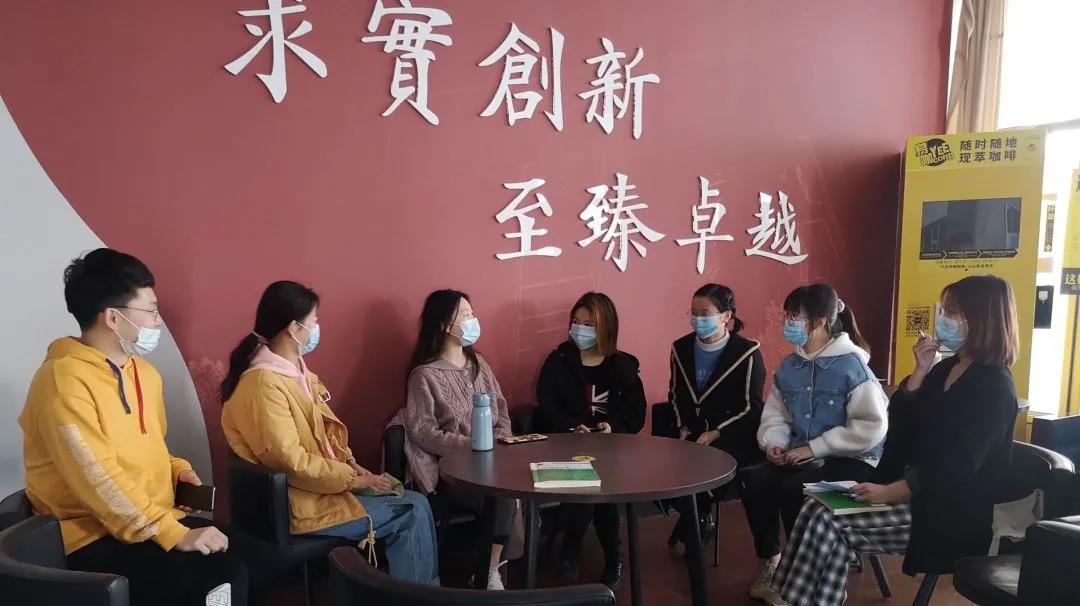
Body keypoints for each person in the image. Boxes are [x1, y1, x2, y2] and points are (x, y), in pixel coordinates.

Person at [768, 275, 1021, 606]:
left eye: (952, 311)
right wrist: (919, 374)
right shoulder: (945, 370)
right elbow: (900, 428)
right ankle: (796, 599)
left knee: (828, 523)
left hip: (948, 511)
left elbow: (958, 465)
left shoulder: (994, 386)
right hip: (912, 493)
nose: (942, 318)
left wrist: (893, 491)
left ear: (981, 318)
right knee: (815, 508)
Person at [18, 248, 248, 606]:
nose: (157, 322)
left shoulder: (144, 374)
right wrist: (173, 533)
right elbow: (98, 477)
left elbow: (152, 446)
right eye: (151, 311)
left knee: (249, 555)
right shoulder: (62, 381)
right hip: (90, 535)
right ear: (113, 317)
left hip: (146, 521)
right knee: (219, 575)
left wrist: (177, 471)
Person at [220, 281, 438, 585]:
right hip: (299, 504)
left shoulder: (296, 373)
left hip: (320, 489)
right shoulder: (263, 385)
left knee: (413, 499)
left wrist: (354, 467)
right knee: (411, 511)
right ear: (294, 328)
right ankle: (418, 597)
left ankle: (420, 593)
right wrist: (352, 480)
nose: (317, 328)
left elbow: (326, 437)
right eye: (314, 321)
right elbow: (290, 461)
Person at [740, 283, 888, 605]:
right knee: (754, 479)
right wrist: (775, 443)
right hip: (801, 456)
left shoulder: (852, 366)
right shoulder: (790, 367)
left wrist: (815, 448)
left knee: (796, 489)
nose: (787, 323)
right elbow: (775, 415)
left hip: (853, 461)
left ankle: (814, 577)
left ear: (820, 322)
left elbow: (870, 428)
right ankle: (773, 563)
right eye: (787, 316)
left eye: (794, 317)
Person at [404, 289, 518, 590]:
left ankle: (488, 568)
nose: (472, 320)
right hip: (455, 473)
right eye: (465, 315)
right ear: (444, 325)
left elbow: (502, 413)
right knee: (502, 496)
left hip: (495, 463)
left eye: (472, 313)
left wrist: (499, 442)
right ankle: (488, 572)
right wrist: (470, 446)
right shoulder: (424, 375)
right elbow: (422, 431)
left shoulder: (480, 364)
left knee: (517, 487)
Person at [535, 292, 646, 588]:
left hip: (612, 450)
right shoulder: (559, 360)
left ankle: (613, 557)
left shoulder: (623, 366)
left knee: (602, 485)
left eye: (589, 324)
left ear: (606, 327)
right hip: (568, 445)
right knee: (585, 478)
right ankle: (573, 546)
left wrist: (613, 427)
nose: (580, 329)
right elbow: (547, 404)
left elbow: (636, 415)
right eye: (576, 322)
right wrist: (572, 428)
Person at [667, 284, 765, 550]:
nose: (697, 319)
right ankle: (696, 517)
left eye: (705, 314)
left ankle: (698, 518)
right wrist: (683, 427)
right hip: (691, 432)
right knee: (664, 469)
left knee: (707, 471)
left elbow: (751, 408)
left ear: (726, 317)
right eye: (694, 312)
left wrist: (716, 432)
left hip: (730, 435)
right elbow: (675, 395)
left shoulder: (746, 353)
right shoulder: (680, 348)